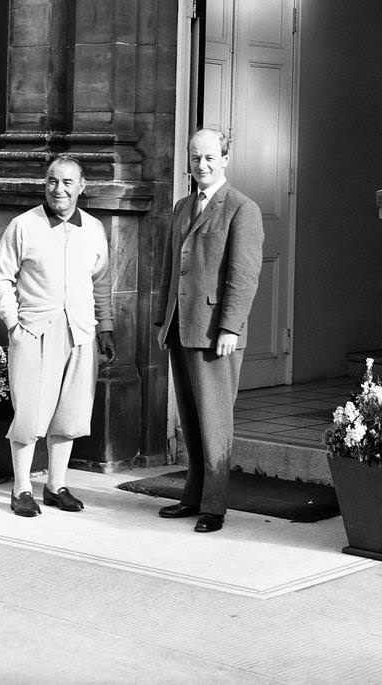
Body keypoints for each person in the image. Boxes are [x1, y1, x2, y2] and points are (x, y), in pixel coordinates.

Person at [0, 156, 116, 517]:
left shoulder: (92, 229)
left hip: (80, 332)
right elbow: (1, 278)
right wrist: (15, 325)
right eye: (51, 182)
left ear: (81, 186)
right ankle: (21, 488)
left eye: (66, 182)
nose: (58, 189)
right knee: (30, 413)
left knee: (71, 412)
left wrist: (104, 327)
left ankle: (56, 486)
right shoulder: (23, 226)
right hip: (36, 332)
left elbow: (102, 283)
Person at [155, 127, 263, 533]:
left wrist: (230, 327)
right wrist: (161, 321)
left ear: (225, 158)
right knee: (191, 418)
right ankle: (193, 495)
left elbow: (244, 276)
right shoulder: (183, 206)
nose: (201, 166)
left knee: (215, 421)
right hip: (181, 327)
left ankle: (214, 506)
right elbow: (170, 268)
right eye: (195, 158)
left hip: (216, 332)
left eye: (210, 158)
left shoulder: (242, 208)